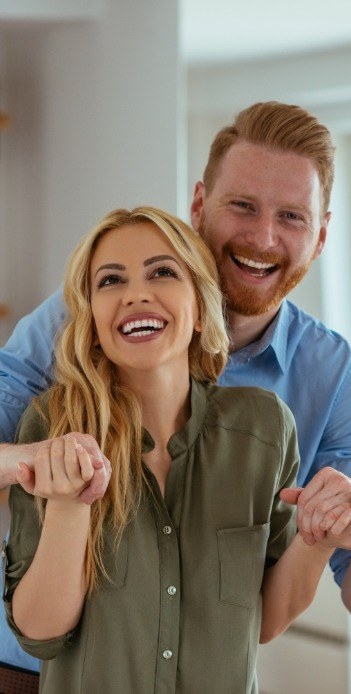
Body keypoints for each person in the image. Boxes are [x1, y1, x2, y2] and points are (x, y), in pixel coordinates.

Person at [1, 101, 351, 675]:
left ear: (320, 235)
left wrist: (332, 529)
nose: (263, 236)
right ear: (198, 206)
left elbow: (273, 597)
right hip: (29, 674)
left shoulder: (311, 391)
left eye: (292, 216)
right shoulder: (74, 330)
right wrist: (35, 464)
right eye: (242, 205)